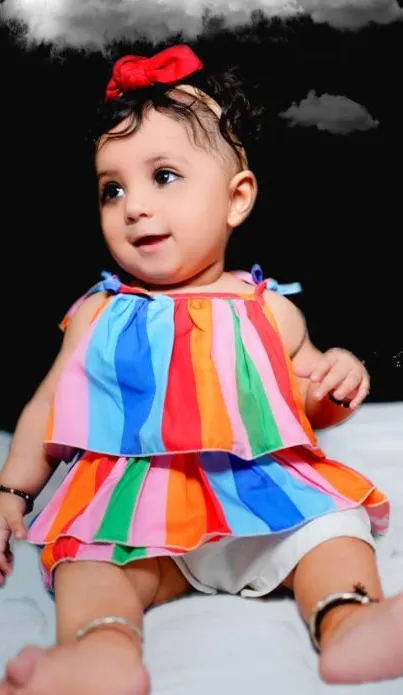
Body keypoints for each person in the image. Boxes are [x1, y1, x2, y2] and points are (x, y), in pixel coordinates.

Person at [0, 44, 401, 695]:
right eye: (112, 189)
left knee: (331, 530)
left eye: (163, 176)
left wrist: (335, 378)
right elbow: (49, 407)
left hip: (262, 503)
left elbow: (306, 402)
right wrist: (12, 492)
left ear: (236, 198)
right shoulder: (100, 312)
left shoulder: (267, 307)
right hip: (135, 515)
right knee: (87, 560)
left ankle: (348, 620)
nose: (133, 206)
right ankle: (101, 647)